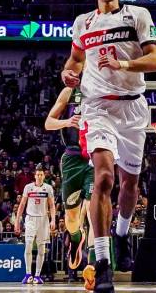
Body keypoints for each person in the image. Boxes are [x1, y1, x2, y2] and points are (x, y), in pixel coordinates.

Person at [61, 0, 156, 293]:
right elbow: (76, 60)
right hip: (97, 107)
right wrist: (69, 72)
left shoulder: (138, 15)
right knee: (104, 178)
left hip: (132, 108)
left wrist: (125, 65)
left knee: (129, 184)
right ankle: (103, 263)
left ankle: (121, 234)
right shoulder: (83, 23)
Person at [42, 86, 96, 290]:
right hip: (72, 158)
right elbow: (48, 123)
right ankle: (76, 237)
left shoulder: (104, 87)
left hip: (94, 155)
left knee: (93, 212)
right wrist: (67, 121)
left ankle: (91, 267)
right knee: (72, 220)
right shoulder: (69, 92)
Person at [18, 166, 58, 284]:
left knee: (41, 248)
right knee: (29, 245)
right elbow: (22, 204)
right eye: (38, 175)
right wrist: (17, 220)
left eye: (41, 175)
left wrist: (53, 220)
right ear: (34, 176)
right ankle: (28, 274)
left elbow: (52, 206)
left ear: (44, 176)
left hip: (43, 219)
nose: (39, 177)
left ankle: (37, 275)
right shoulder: (28, 187)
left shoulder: (48, 188)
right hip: (30, 218)